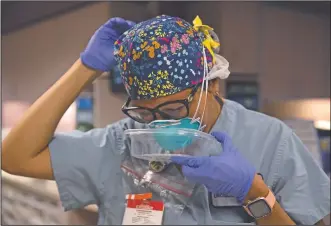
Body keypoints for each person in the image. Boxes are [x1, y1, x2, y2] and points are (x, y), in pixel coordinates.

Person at [2, 15, 330, 225]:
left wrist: (254, 193)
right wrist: (85, 69)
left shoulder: (271, 141)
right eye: (146, 113)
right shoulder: (121, 143)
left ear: (211, 84)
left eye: (174, 111)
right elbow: (14, 157)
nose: (159, 126)